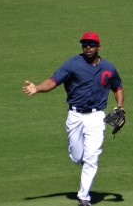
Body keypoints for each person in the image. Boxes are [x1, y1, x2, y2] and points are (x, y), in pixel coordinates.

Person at [22, 31, 124, 206]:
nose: (88, 47)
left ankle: (83, 197)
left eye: (91, 44)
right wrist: (37, 88)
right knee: (77, 157)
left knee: (92, 157)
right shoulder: (72, 64)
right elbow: (53, 81)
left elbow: (117, 87)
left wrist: (120, 106)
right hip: (75, 116)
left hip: (96, 117)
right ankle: (82, 159)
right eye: (85, 44)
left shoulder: (109, 67)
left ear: (99, 46)